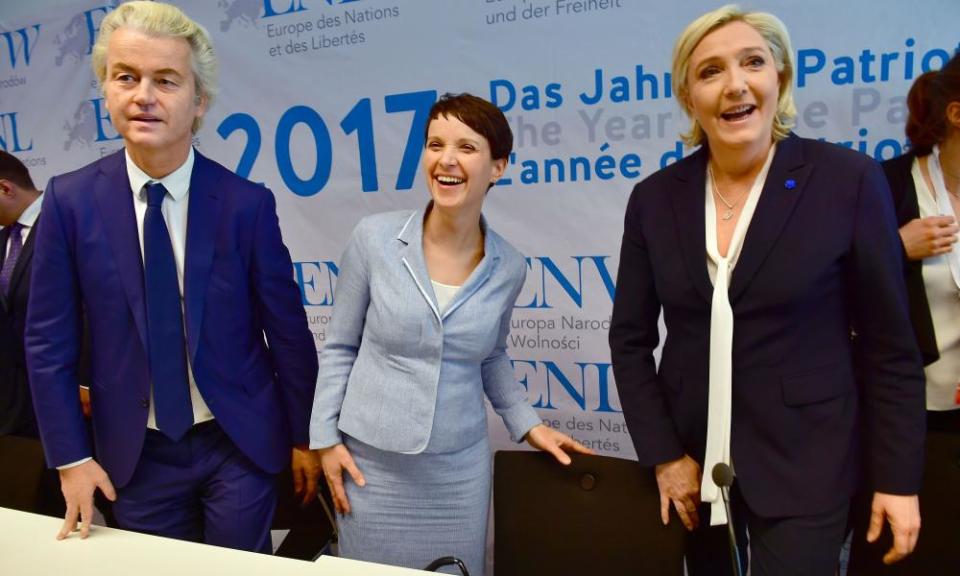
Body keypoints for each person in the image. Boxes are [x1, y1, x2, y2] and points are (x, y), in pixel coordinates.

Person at [608, 6, 925, 575]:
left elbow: (889, 348)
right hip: (692, 461)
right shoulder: (655, 199)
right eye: (710, 72)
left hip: (810, 460)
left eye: (752, 62)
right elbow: (629, 339)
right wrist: (662, 454)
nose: (735, 85)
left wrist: (898, 481)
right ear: (688, 96)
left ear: (779, 76)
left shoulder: (847, 181)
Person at [25, 1, 319, 552]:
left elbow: (288, 334)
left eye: (166, 80)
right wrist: (70, 457)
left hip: (237, 441)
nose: (143, 96)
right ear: (106, 90)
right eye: (126, 77)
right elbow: (48, 343)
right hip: (134, 452)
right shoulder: (68, 201)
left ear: (198, 100)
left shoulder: (246, 205)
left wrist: (305, 436)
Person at [310, 93, 591, 574]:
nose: (447, 160)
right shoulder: (373, 239)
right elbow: (339, 347)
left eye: (467, 147)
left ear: (497, 167)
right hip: (371, 468)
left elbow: (491, 357)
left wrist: (531, 425)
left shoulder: (510, 266)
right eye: (435, 144)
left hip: (457, 476)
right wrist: (324, 440)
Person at [848, 52, 960, 576]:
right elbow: (821, 294)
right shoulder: (883, 184)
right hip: (903, 425)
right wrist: (892, 247)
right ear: (956, 115)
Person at [0, 151, 44, 439]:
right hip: (18, 409)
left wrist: (85, 383)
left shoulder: (70, 223)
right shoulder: (3, 239)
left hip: (78, 401)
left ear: (5, 188)